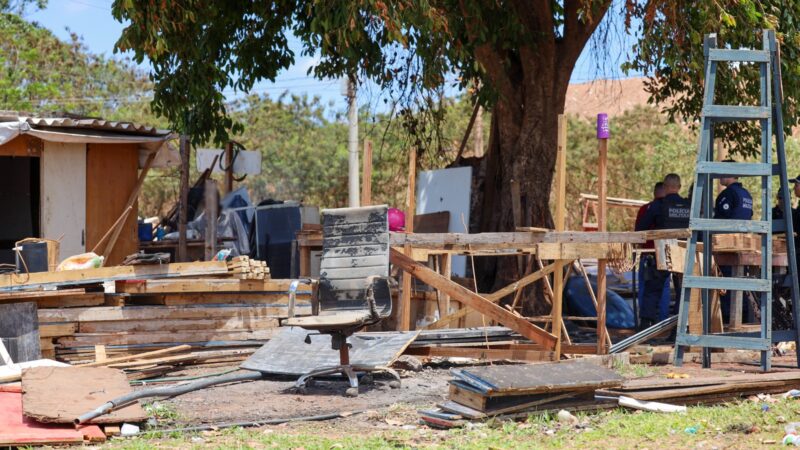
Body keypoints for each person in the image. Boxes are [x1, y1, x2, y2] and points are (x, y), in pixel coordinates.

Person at [636, 174, 691, 327]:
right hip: (681, 253)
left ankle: (646, 327)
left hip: (662, 252)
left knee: (653, 290)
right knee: (682, 292)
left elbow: (641, 228)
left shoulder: (657, 205)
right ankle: (678, 329)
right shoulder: (688, 205)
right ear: (679, 187)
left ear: (665, 187)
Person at [714, 164, 754, 323]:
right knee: (739, 280)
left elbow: (720, 220)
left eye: (721, 173)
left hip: (727, 246)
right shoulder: (746, 194)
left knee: (725, 281)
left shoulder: (728, 194)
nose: (719, 176)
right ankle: (741, 316)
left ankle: (727, 318)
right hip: (742, 245)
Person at [634, 182, 669, 328]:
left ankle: (645, 323)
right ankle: (663, 322)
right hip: (668, 254)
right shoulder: (670, 208)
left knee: (646, 290)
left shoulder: (646, 209)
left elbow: (639, 231)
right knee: (664, 290)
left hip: (649, 255)